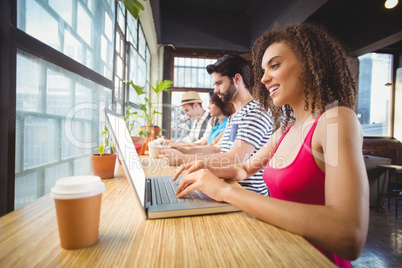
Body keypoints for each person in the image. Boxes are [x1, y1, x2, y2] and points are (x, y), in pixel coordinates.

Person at [173, 23, 369, 267]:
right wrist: (204, 167)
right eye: (263, 70)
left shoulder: (336, 120)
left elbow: (349, 235)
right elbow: (243, 169)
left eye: (274, 65)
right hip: (278, 251)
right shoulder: (284, 131)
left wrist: (226, 191)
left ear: (311, 63)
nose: (264, 79)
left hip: (314, 259)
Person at [162, 54, 273, 197]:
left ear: (237, 79)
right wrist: (182, 150)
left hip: (247, 196)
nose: (215, 90)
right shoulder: (234, 116)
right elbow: (216, 148)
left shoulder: (256, 112)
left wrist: (184, 159)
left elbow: (235, 158)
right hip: (229, 189)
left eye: (219, 83)